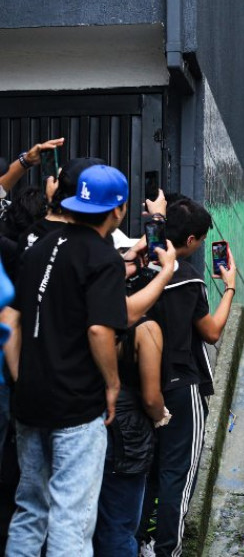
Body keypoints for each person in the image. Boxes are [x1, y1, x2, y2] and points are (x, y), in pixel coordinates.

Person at [1, 164, 142, 556]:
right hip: (77, 407)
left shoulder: (39, 245)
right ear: (118, 210)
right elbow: (100, 329)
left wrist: (22, 377)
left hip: (30, 403)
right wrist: (112, 385)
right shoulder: (103, 257)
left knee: (30, 508)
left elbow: (9, 317)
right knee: (72, 518)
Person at [137, 197, 237, 557]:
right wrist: (229, 288)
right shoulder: (190, 279)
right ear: (193, 240)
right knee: (177, 476)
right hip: (182, 387)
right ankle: (169, 550)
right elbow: (210, 332)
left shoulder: (140, 269)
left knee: (147, 471)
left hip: (143, 388)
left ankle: (140, 543)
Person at [93, 318, 169, 557]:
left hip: (82, 418)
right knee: (119, 525)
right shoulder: (146, 328)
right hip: (126, 434)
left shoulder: (83, 312)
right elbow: (151, 398)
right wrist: (161, 415)